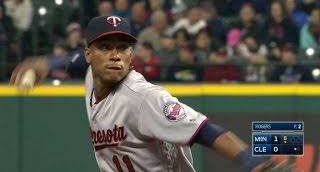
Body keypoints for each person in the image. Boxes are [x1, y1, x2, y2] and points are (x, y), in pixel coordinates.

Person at [10, 15, 285, 171]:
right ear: (90, 54)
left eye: (123, 47)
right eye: (106, 47)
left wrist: (250, 162)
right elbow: (76, 62)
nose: (115, 55)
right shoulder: (91, 73)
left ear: (131, 55)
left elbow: (205, 130)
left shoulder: (143, 97)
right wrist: (49, 63)